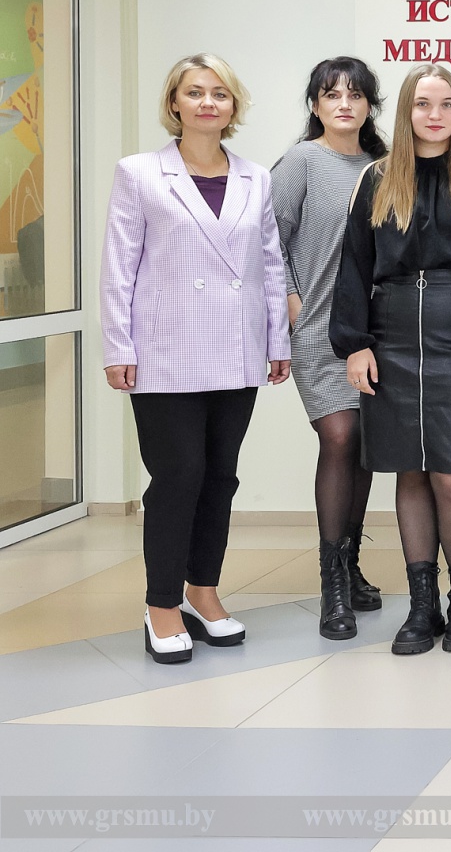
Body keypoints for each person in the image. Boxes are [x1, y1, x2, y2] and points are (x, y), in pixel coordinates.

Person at [101, 53, 291, 664]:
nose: (208, 102)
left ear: (233, 106)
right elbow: (118, 266)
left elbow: (269, 264)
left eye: (220, 93)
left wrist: (277, 341)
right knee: (178, 475)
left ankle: (202, 591)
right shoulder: (140, 173)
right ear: (174, 103)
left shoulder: (255, 178)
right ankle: (161, 603)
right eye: (195, 92)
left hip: (236, 347)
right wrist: (118, 345)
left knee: (220, 476)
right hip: (164, 350)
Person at [330, 63, 451, 657]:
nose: (434, 115)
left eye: (446, 104)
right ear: (405, 112)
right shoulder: (376, 179)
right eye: (422, 103)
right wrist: (354, 342)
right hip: (389, 337)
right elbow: (353, 265)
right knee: (408, 472)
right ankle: (423, 606)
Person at [272, 56, 390, 641]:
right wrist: (290, 299)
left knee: (363, 444)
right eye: (331, 94)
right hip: (318, 327)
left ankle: (351, 564)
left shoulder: (385, 167)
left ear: (370, 105)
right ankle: (332, 584)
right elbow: (267, 238)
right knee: (340, 437)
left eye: (355, 94)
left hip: (377, 332)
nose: (344, 104)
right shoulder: (301, 162)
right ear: (315, 105)